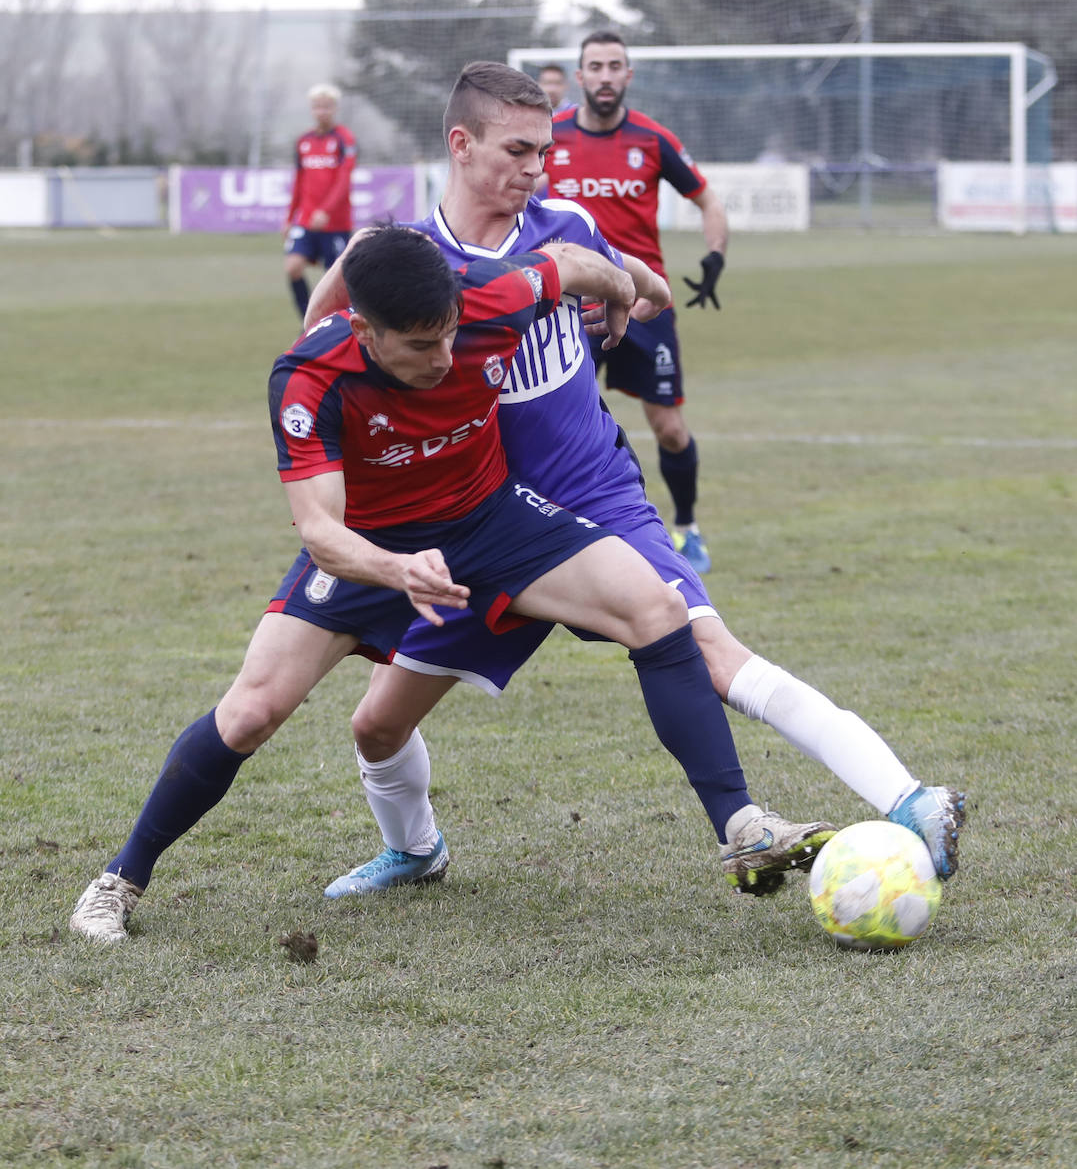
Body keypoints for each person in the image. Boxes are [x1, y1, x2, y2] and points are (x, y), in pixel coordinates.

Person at [303, 63, 965, 904]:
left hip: (593, 501)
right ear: (460, 146)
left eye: (543, 152)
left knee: (710, 651)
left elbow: (645, 291)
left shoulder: (566, 226)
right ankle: (414, 851)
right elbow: (322, 334)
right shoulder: (406, 264)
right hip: (481, 524)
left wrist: (619, 298)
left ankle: (909, 799)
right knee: (376, 722)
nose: (536, 170)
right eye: (519, 150)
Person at [69, 218, 814, 944]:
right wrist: (397, 569)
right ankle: (118, 882)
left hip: (490, 520)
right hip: (373, 548)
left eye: (451, 334)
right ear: (364, 330)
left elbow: (575, 262)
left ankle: (741, 828)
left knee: (656, 608)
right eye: (422, 345)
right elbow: (322, 533)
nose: (444, 356)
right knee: (251, 712)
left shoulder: (489, 294)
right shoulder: (309, 379)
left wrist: (627, 289)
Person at [546, 30, 726, 576]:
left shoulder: (651, 138)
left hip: (646, 304)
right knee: (555, 422)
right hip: (572, 305)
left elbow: (707, 199)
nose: (605, 75)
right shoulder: (549, 137)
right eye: (595, 66)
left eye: (614, 65)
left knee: (669, 427)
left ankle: (688, 529)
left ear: (628, 75)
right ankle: (552, 531)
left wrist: (714, 257)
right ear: (580, 77)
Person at [282, 82, 357, 320]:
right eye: (317, 107)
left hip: (335, 222)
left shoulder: (344, 139)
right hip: (305, 220)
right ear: (311, 109)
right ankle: (309, 322)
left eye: (326, 106)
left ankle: (338, 325)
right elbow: (299, 182)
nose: (321, 111)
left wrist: (325, 210)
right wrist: (289, 217)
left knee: (335, 281)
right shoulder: (303, 141)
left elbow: (344, 179)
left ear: (334, 109)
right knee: (293, 267)